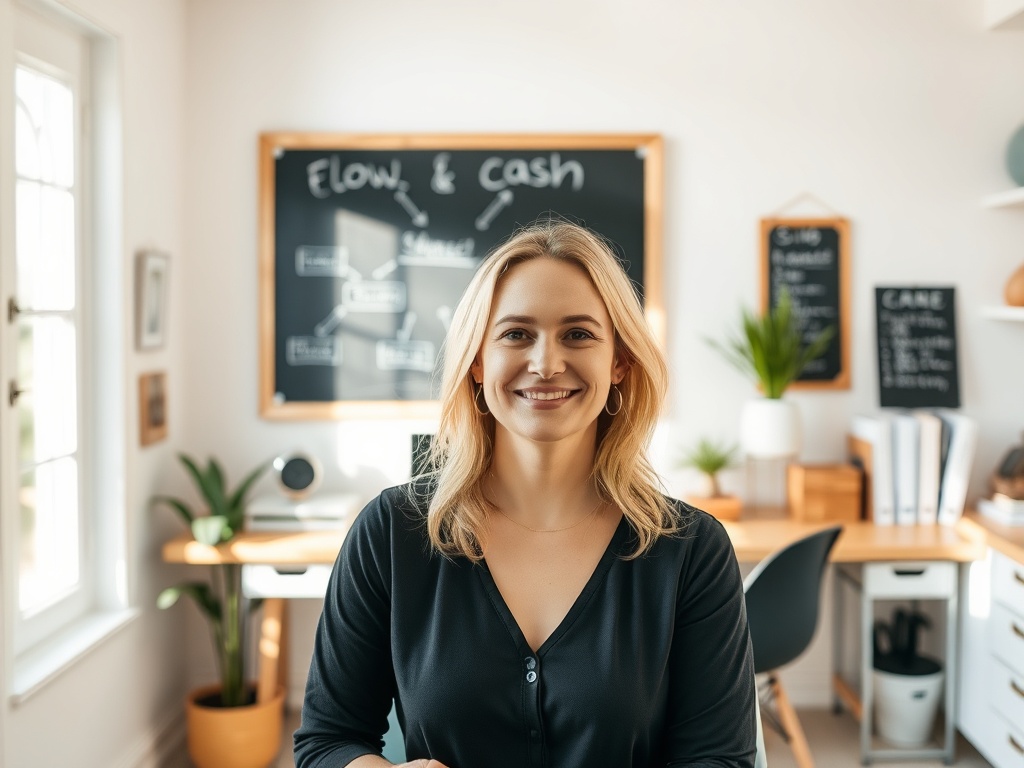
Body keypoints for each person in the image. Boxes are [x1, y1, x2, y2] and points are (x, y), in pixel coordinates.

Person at [293, 220, 757, 768]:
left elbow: (719, 759)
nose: (545, 362)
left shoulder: (692, 550)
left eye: (578, 334)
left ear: (619, 363)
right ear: (475, 363)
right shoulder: (389, 532)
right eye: (516, 334)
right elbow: (325, 742)